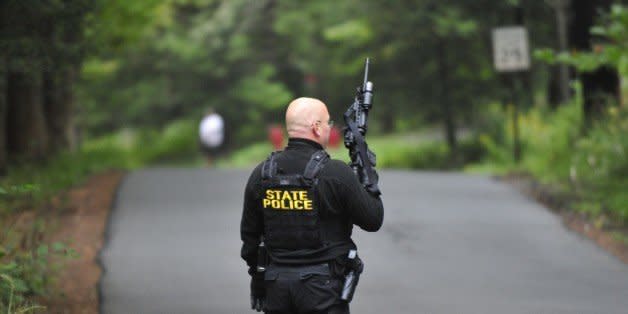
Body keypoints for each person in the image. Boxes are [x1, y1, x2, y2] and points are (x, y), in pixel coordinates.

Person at [240, 97, 384, 314]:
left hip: (276, 286)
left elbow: (250, 238)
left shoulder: (262, 174)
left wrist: (259, 278)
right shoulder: (335, 173)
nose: (329, 128)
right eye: (328, 123)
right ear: (316, 128)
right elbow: (373, 219)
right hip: (323, 290)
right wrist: (366, 173)